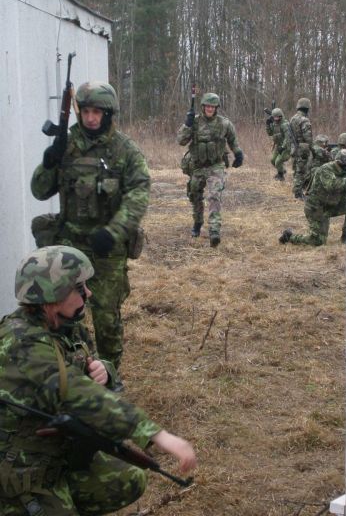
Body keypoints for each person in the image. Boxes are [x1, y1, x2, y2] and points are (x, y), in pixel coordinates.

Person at [0, 245, 197, 516]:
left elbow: (88, 367)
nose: (89, 293)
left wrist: (105, 371)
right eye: (79, 287)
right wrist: (153, 433)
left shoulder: (64, 326)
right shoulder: (21, 343)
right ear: (54, 295)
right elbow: (75, 392)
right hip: (21, 464)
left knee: (127, 480)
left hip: (57, 446)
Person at [30, 81, 150, 374]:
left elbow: (139, 194)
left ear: (108, 114)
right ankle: (67, 373)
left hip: (106, 249)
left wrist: (114, 231)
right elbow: (39, 191)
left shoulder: (124, 150)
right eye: (85, 111)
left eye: (97, 112)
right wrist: (49, 162)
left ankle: (109, 376)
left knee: (106, 318)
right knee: (63, 314)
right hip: (69, 247)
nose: (91, 118)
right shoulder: (67, 145)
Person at [177, 92, 243, 247]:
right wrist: (187, 125)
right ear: (203, 107)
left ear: (216, 108)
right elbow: (181, 141)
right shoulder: (194, 122)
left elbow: (233, 140)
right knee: (194, 195)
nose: (210, 109)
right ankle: (197, 222)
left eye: (213, 106)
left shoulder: (224, 123)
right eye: (207, 106)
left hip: (216, 165)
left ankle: (214, 230)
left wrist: (238, 154)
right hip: (198, 166)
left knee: (214, 195)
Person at [279, 149, 346, 246]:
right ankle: (289, 237)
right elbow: (332, 185)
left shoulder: (344, 171)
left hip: (330, 205)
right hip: (316, 208)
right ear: (340, 162)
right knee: (318, 241)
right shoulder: (326, 169)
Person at [289, 97, 313, 199]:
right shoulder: (304, 120)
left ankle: (298, 190)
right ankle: (298, 193)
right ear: (307, 108)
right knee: (301, 171)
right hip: (303, 149)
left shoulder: (292, 119)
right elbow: (308, 138)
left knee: (296, 169)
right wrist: (312, 148)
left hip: (294, 147)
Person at [265, 107, 291, 181]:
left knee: (278, 161)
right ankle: (282, 170)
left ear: (280, 116)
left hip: (286, 147)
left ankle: (281, 176)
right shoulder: (274, 124)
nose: (275, 119)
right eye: (274, 117)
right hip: (278, 146)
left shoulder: (285, 124)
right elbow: (270, 133)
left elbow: (288, 138)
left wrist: (283, 147)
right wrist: (268, 124)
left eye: (277, 117)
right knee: (273, 160)